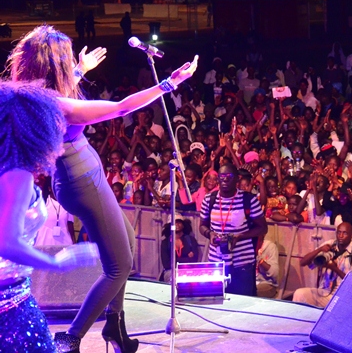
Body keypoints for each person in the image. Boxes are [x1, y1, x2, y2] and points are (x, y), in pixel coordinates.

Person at [8, 25, 198, 353]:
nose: (71, 64)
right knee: (120, 265)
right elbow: (121, 108)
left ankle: (115, 322)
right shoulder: (58, 106)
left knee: (127, 240)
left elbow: (59, 93)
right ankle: (72, 337)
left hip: (81, 176)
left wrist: (81, 70)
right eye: (66, 60)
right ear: (54, 64)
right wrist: (169, 84)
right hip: (82, 181)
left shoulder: (33, 97)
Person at [0, 82, 99, 353]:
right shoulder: (16, 174)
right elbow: (7, 243)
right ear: (34, 128)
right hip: (10, 309)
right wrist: (56, 262)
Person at [199, 164, 268, 296]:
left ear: (237, 179)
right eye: (222, 177)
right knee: (217, 302)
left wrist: (239, 236)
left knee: (242, 304)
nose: (225, 180)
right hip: (216, 262)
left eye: (229, 177)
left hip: (242, 263)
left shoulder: (248, 200)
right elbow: (202, 226)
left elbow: (262, 228)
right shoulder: (209, 199)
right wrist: (210, 234)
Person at [292, 222, 352, 308]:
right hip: (324, 292)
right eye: (339, 232)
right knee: (299, 294)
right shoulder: (330, 244)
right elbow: (302, 262)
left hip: (343, 297)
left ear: (351, 235)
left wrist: (334, 268)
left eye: (345, 233)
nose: (341, 236)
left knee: (334, 306)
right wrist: (319, 250)